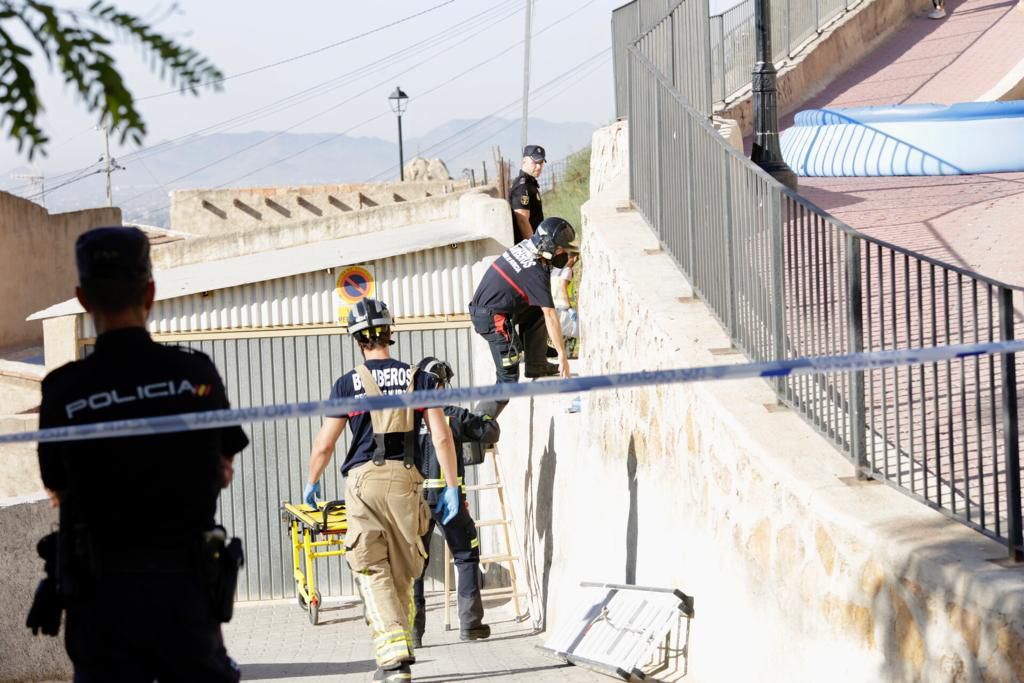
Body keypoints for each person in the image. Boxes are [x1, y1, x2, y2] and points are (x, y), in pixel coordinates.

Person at [29, 226, 250, 682]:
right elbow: (224, 468)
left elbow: (56, 488)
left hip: (100, 605)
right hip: (185, 599)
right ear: (149, 291)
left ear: (83, 298)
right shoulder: (194, 375)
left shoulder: (64, 390)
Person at [303, 298, 461, 683]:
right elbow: (441, 437)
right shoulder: (419, 379)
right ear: (391, 332)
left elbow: (325, 444)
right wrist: (453, 486)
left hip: (363, 483)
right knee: (404, 570)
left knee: (371, 566)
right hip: (407, 482)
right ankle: (400, 652)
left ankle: (393, 658)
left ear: (357, 340)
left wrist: (312, 482)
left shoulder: (348, 384)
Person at [411, 357, 500, 648]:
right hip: (449, 502)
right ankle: (471, 625)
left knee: (414, 566)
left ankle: (414, 633)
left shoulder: (406, 418)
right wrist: (487, 413)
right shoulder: (452, 415)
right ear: (437, 383)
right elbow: (489, 432)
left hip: (414, 502)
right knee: (466, 555)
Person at [468, 217, 579, 418]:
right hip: (493, 319)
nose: (564, 254)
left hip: (491, 310)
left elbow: (543, 308)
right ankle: (475, 428)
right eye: (561, 250)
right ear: (549, 247)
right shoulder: (535, 272)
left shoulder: (525, 247)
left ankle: (536, 364)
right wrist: (562, 355)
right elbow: (550, 315)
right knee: (508, 381)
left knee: (537, 306)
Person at [508, 144, 546, 242]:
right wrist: (535, 247)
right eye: (535, 162)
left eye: (541, 162)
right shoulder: (522, 186)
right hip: (527, 246)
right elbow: (522, 220)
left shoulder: (530, 184)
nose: (538, 167)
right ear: (524, 161)